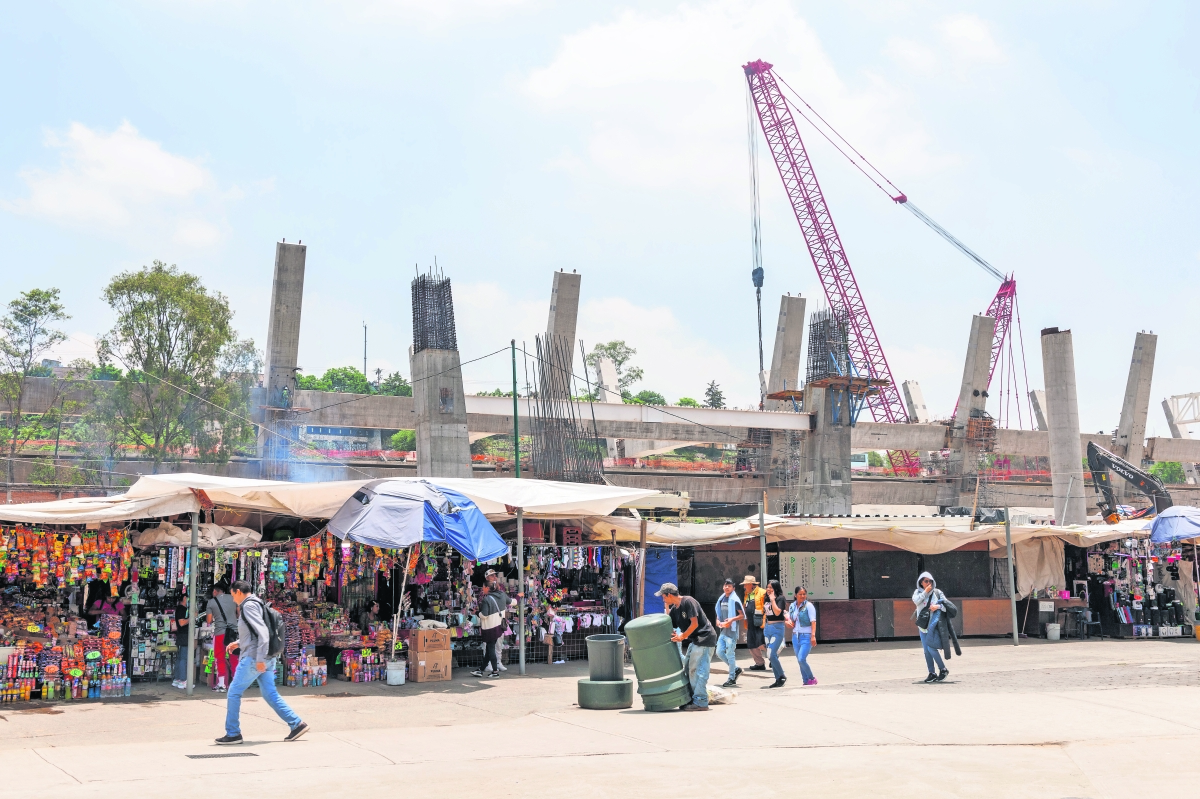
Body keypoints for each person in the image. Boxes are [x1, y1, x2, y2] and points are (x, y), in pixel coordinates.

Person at [215, 580, 308, 745]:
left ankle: (233, 733)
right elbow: (254, 633)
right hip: (263, 657)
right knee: (269, 693)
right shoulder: (257, 603)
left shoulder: (248, 606)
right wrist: (238, 642)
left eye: (232, 595)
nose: (232, 599)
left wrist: (259, 659)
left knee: (234, 692)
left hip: (254, 658)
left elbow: (263, 633)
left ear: (238, 592)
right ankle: (296, 724)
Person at [658, 582, 718, 712]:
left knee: (698, 670)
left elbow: (694, 623)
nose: (662, 599)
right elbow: (669, 624)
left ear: (669, 594)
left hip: (705, 638)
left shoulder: (688, 601)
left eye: (663, 596)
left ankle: (701, 701)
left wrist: (682, 636)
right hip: (695, 640)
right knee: (688, 668)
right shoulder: (675, 609)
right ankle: (692, 698)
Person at [912, 571, 951, 683]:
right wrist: (925, 592)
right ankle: (932, 673)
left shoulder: (937, 593)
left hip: (934, 626)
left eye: (930, 581)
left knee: (931, 648)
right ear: (921, 582)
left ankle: (943, 669)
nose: (928, 583)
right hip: (923, 627)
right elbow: (916, 601)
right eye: (926, 581)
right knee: (926, 651)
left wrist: (937, 606)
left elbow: (947, 605)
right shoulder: (917, 592)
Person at [206, 582, 239, 692]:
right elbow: (238, 614)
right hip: (233, 633)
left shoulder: (211, 602)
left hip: (220, 633)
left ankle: (221, 685)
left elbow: (209, 621)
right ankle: (236, 684)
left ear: (215, 591)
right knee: (234, 658)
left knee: (219, 657)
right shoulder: (234, 598)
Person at [714, 578, 745, 687]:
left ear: (733, 588)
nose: (727, 587)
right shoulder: (721, 599)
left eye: (729, 586)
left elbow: (742, 615)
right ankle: (736, 668)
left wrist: (731, 619)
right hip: (723, 630)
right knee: (719, 652)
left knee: (730, 654)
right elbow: (719, 613)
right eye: (725, 585)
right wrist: (718, 620)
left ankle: (731, 678)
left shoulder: (735, 600)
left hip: (731, 631)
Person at [472, 584, 506, 678]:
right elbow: (512, 601)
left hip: (490, 628)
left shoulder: (486, 599)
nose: (482, 588)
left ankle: (495, 671)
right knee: (489, 649)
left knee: (490, 648)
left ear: (488, 588)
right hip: (498, 626)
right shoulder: (502, 595)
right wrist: (519, 596)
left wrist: (476, 613)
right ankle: (481, 670)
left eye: (483, 587)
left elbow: (484, 615)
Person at [786, 586, 818, 686]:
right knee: (799, 661)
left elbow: (813, 621)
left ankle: (811, 678)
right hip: (795, 636)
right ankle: (805, 681)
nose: (802, 596)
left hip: (806, 636)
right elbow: (790, 620)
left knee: (801, 659)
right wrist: (788, 623)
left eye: (804, 594)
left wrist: (813, 636)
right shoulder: (792, 606)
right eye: (800, 594)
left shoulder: (809, 606)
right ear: (795, 595)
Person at [762, 580, 788, 688]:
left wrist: (773, 600)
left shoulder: (780, 599)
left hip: (777, 628)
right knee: (770, 655)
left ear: (776, 588)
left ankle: (782, 675)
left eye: (771, 587)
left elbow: (778, 612)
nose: (768, 589)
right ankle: (778, 679)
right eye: (768, 587)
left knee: (771, 653)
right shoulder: (766, 598)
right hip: (768, 627)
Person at [741, 576, 767, 671]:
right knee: (751, 644)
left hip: (760, 622)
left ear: (750, 584)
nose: (744, 586)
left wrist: (764, 620)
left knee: (762, 643)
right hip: (750, 623)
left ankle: (773, 658)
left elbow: (766, 607)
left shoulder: (762, 592)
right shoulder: (747, 594)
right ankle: (759, 663)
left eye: (745, 584)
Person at [171, 590, 192, 689]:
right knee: (183, 658)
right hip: (184, 635)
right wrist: (192, 618)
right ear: (184, 598)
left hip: (181, 635)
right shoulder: (181, 609)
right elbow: (182, 623)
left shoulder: (181, 609)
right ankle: (183, 680)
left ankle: (177, 679)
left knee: (180, 658)